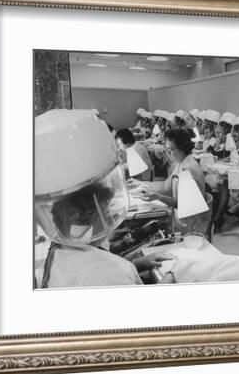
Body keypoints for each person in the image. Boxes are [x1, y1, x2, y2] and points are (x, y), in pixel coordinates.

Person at [34, 109, 173, 288]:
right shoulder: (113, 273)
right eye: (108, 207)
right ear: (97, 212)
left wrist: (137, 264)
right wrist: (169, 281)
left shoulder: (58, 251)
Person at [129, 128, 205, 207]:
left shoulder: (187, 169)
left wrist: (158, 197)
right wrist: (140, 184)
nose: (167, 152)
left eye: (170, 149)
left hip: (188, 217)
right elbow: (165, 186)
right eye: (167, 149)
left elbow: (181, 204)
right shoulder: (182, 162)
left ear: (182, 147)